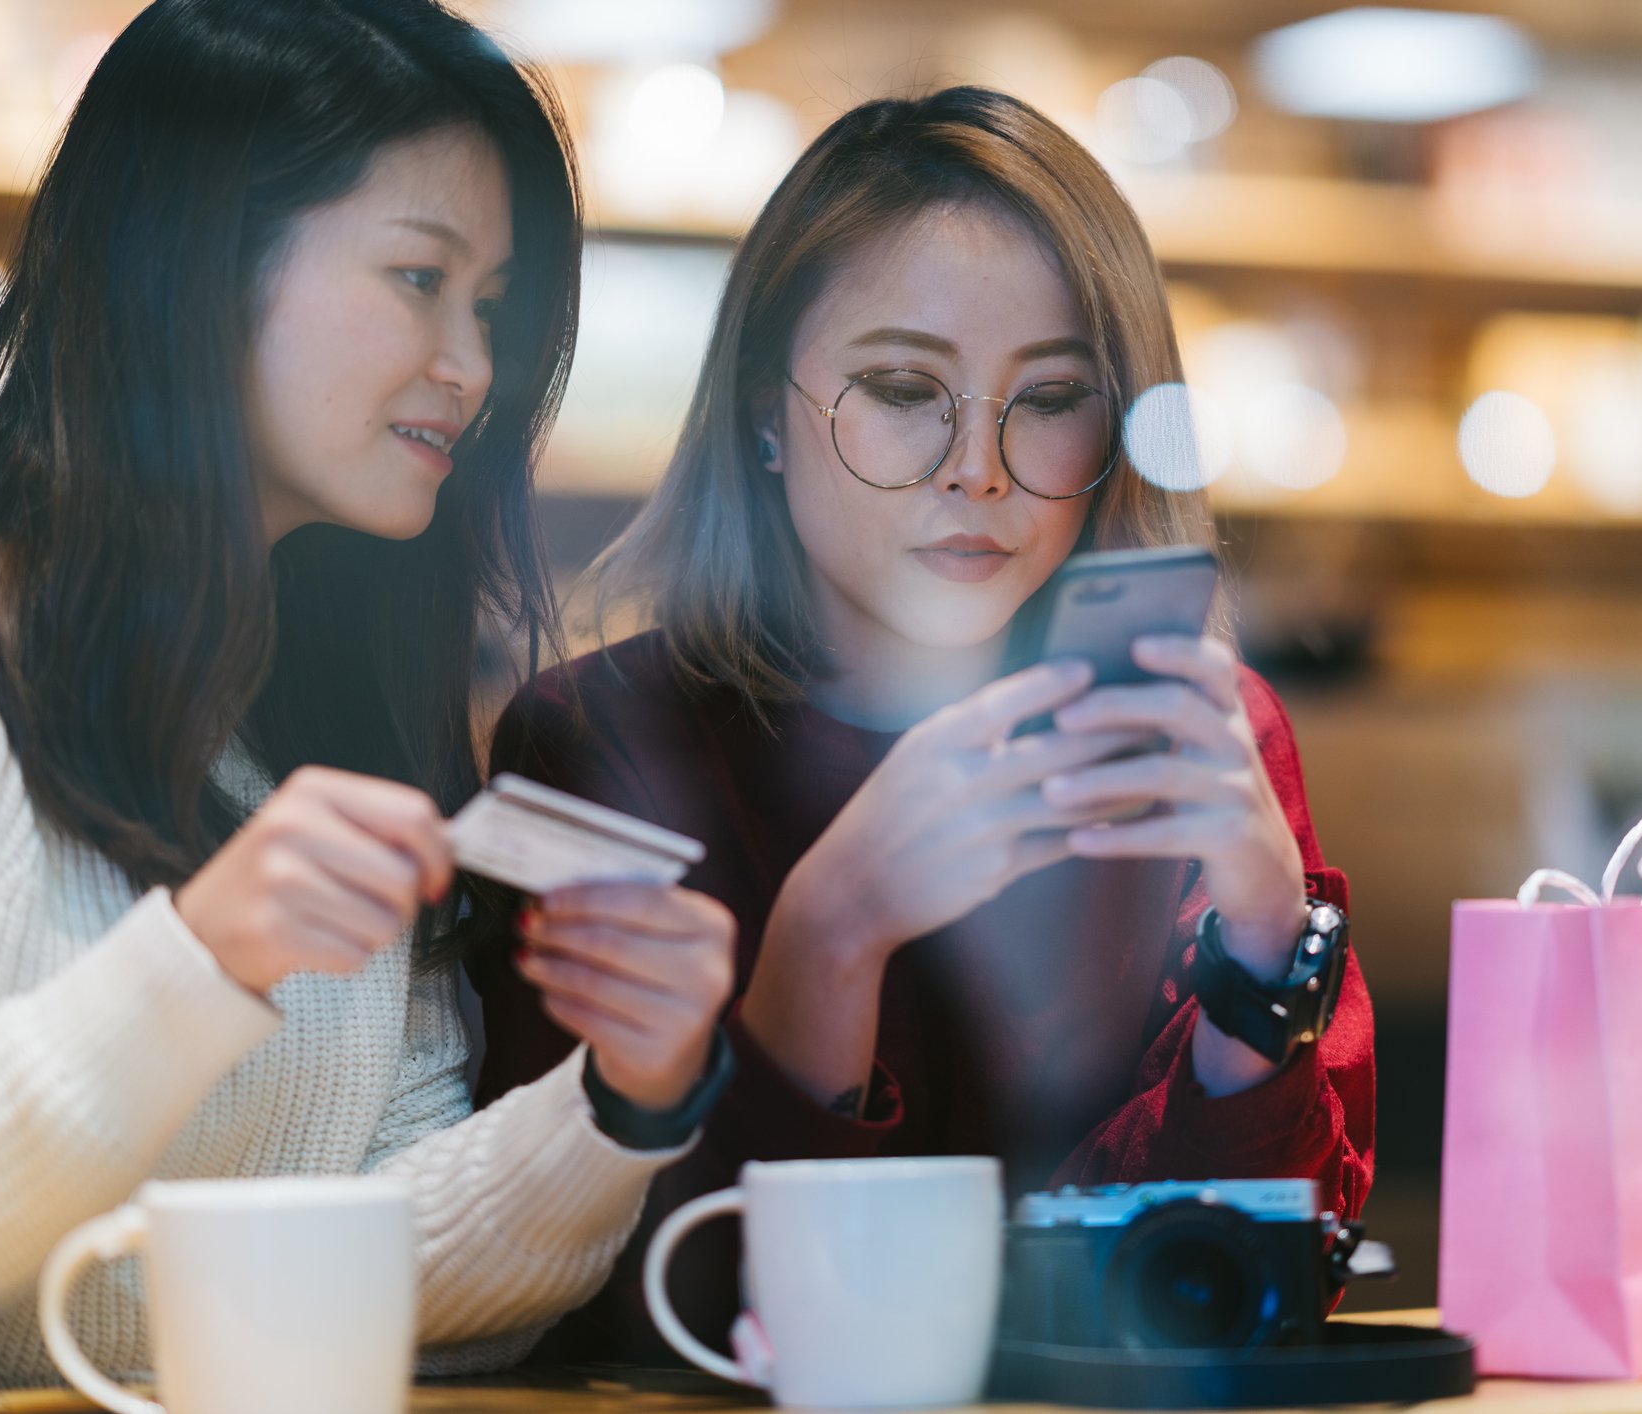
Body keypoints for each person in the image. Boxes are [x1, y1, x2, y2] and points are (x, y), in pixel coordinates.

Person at [0, 0, 734, 1391]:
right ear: (195, 258)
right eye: (418, 276)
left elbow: (377, 1265)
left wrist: (623, 1098)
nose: (473, 367)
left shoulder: (326, 690)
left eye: (491, 307)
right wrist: (198, 963)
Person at [470, 86, 1376, 1364]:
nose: (977, 470)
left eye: (1049, 398)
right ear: (763, 416)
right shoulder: (601, 742)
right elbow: (603, 1300)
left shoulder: (1195, 732)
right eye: (903, 387)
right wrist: (830, 933)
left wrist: (1266, 951)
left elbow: (1238, 1299)